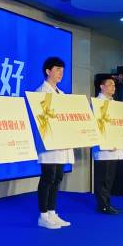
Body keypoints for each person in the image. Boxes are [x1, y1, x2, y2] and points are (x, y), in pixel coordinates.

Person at [35, 56, 74, 229]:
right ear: (48, 71)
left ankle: (52, 212)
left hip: (61, 143)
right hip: (49, 144)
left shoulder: (62, 94)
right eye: (57, 69)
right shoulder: (40, 93)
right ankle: (43, 215)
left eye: (62, 70)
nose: (61, 73)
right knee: (48, 177)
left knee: (58, 177)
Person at [92, 75, 123, 215]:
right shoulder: (96, 103)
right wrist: (107, 142)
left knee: (110, 177)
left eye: (114, 85)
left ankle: (107, 203)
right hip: (103, 148)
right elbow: (96, 126)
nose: (113, 87)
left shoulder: (115, 104)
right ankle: (103, 205)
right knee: (102, 178)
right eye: (110, 84)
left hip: (115, 147)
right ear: (102, 87)